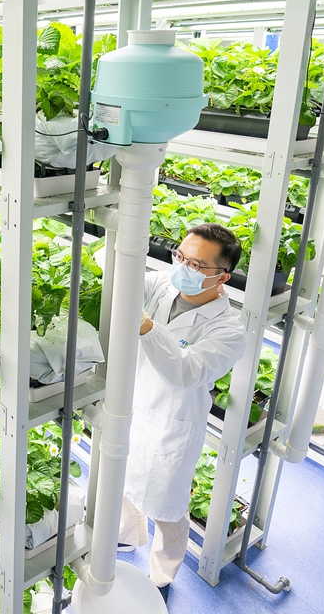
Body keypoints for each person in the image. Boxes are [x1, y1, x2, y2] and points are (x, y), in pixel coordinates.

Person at [118, 223, 247, 600]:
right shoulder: (162, 283)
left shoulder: (229, 329)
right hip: (134, 404)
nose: (183, 267)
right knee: (123, 480)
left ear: (222, 276)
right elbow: (118, 270)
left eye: (196, 264)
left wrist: (146, 326)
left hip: (173, 422)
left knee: (168, 506)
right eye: (180, 256)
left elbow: (186, 372)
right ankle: (128, 537)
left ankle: (162, 574)